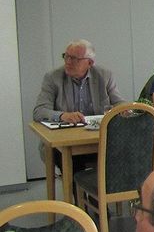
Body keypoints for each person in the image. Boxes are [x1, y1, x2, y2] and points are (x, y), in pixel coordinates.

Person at [33, 39, 126, 173]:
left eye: (75, 59)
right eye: (66, 56)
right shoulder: (53, 78)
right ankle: (82, 193)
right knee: (72, 162)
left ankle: (103, 192)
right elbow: (39, 111)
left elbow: (119, 103)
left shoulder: (104, 75)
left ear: (89, 63)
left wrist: (123, 110)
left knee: (123, 152)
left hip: (97, 138)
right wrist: (62, 115)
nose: (68, 62)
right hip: (65, 141)